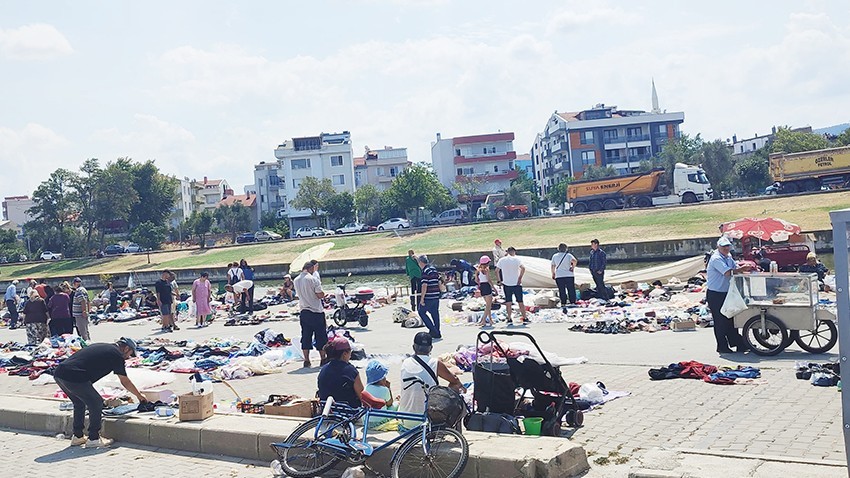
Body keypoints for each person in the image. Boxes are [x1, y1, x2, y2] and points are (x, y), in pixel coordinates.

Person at [53, 337, 147, 448]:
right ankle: (93, 439)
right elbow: (125, 381)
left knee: (79, 402)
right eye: (130, 354)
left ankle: (78, 436)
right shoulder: (116, 355)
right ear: (126, 348)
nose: (128, 358)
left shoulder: (103, 346)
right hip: (75, 376)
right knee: (96, 402)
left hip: (59, 373)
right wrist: (139, 396)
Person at [398, 332, 464, 429]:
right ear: (431, 348)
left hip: (405, 421)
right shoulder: (435, 363)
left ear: (413, 347)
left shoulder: (405, 362)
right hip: (427, 422)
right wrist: (460, 384)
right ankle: (453, 427)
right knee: (455, 386)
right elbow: (454, 380)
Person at [706, 236, 753, 354]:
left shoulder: (728, 256)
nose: (726, 248)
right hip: (716, 293)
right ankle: (722, 346)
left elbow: (735, 268)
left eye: (727, 246)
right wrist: (741, 269)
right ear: (718, 247)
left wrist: (745, 269)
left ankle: (738, 343)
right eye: (724, 247)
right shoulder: (716, 258)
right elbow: (727, 272)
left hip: (726, 292)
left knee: (731, 319)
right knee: (720, 321)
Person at [294, 261, 327, 368]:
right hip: (316, 311)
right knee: (320, 336)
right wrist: (323, 294)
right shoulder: (313, 279)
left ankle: (307, 360)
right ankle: (323, 358)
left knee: (306, 336)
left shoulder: (296, 280)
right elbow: (319, 295)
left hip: (304, 311)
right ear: (311, 268)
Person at [317, 337, 363, 408]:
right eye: (350, 351)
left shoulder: (323, 369)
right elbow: (362, 395)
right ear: (345, 354)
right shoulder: (351, 371)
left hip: (327, 409)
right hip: (348, 411)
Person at [496, 246, 527, 326]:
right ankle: (524, 317)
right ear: (513, 252)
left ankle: (509, 318)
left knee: (508, 302)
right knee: (520, 301)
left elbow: (497, 271)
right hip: (516, 283)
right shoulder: (516, 259)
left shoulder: (502, 260)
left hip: (506, 283)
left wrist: (499, 280)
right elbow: (523, 268)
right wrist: (520, 278)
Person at [417, 255, 442, 339]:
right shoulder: (433, 269)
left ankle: (433, 330)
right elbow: (439, 281)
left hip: (429, 296)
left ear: (421, 262)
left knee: (421, 312)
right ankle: (437, 331)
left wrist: (422, 298)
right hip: (436, 295)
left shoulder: (425, 271)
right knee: (435, 313)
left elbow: (424, 285)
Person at [365, 360, 394, 429]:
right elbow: (389, 403)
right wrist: (389, 388)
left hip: (367, 421)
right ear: (381, 379)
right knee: (394, 406)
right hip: (380, 421)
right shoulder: (385, 390)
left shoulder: (366, 388)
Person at [551, 243, 578, 307]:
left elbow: (553, 266)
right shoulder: (568, 255)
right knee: (571, 289)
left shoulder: (555, 256)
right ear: (566, 249)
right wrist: (572, 267)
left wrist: (553, 273)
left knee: (561, 290)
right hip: (569, 275)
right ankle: (572, 302)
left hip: (559, 275)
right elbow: (574, 261)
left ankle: (563, 302)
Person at [475, 256, 494, 327]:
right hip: (487, 286)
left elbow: (476, 280)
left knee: (488, 305)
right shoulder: (487, 269)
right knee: (488, 305)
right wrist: (494, 288)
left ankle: (490, 320)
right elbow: (489, 280)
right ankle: (483, 320)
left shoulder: (478, 270)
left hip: (482, 287)